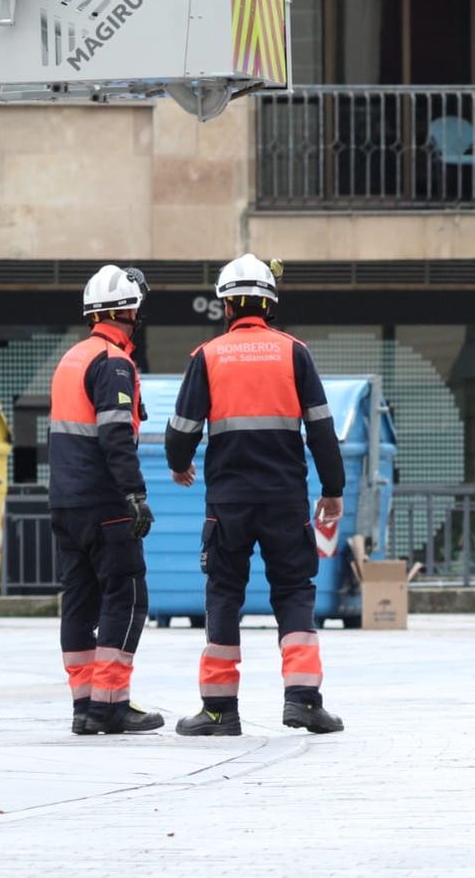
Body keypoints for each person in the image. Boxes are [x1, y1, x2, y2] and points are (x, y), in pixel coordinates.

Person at [166, 254, 347, 736]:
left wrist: (179, 462)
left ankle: (219, 710)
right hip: (286, 499)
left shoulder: (207, 356)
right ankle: (304, 701)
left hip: (228, 503)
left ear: (226, 307)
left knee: (225, 593)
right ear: (270, 305)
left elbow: (181, 429)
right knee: (294, 592)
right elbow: (322, 430)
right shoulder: (295, 353)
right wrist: (333, 489)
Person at [47, 264, 163, 735]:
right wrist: (135, 494)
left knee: (79, 601)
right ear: (128, 312)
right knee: (128, 595)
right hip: (105, 504)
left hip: (67, 504)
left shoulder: (72, 357)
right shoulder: (114, 363)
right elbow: (116, 433)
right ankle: (111, 703)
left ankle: (84, 705)